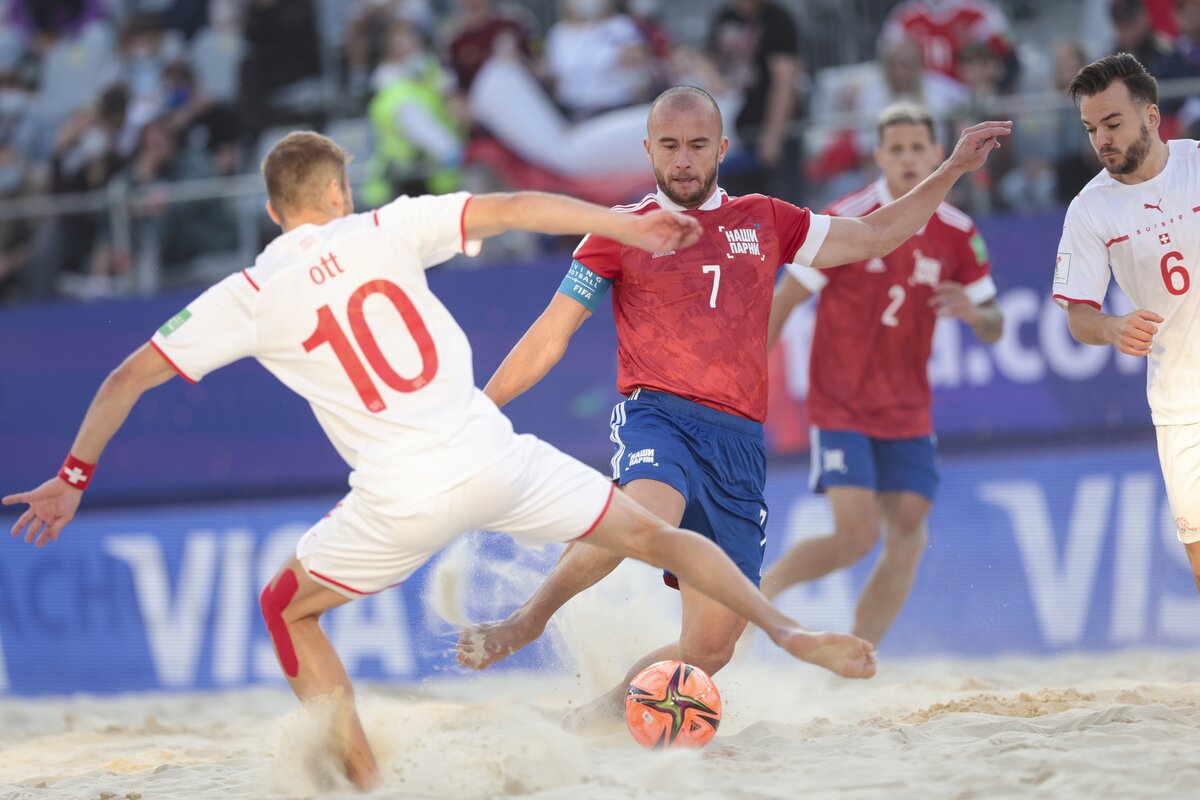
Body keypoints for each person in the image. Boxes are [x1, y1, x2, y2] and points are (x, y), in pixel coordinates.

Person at [3, 130, 879, 789]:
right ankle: (790, 630)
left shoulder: (252, 291)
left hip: (398, 499)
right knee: (660, 535)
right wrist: (622, 223)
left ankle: (366, 777)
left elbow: (127, 377)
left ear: (272, 211)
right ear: (340, 191)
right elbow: (512, 210)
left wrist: (71, 479)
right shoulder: (387, 226)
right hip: (496, 457)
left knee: (286, 609)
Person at [456, 85, 1009, 727]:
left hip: (740, 445)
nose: (684, 161)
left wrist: (952, 170)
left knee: (711, 651)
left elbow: (877, 233)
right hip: (658, 414)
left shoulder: (766, 218)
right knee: (647, 508)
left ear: (722, 147)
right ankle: (526, 621)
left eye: (697, 146)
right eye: (669, 147)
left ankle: (590, 719)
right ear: (648, 150)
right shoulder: (615, 232)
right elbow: (549, 336)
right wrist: (479, 411)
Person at [761, 102, 1004, 646]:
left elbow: (996, 326)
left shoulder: (958, 233)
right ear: (878, 156)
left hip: (906, 408)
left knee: (910, 536)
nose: (909, 158)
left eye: (919, 147)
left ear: (938, 153)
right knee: (856, 536)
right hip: (840, 403)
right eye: (896, 149)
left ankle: (858, 663)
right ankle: (759, 592)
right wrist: (749, 375)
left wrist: (974, 312)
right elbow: (785, 298)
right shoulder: (850, 218)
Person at [1051, 53, 1200, 590]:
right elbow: (1079, 317)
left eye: (1112, 123)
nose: (1102, 140)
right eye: (1092, 129)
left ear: (1153, 116)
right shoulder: (1090, 210)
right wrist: (1113, 328)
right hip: (1181, 402)